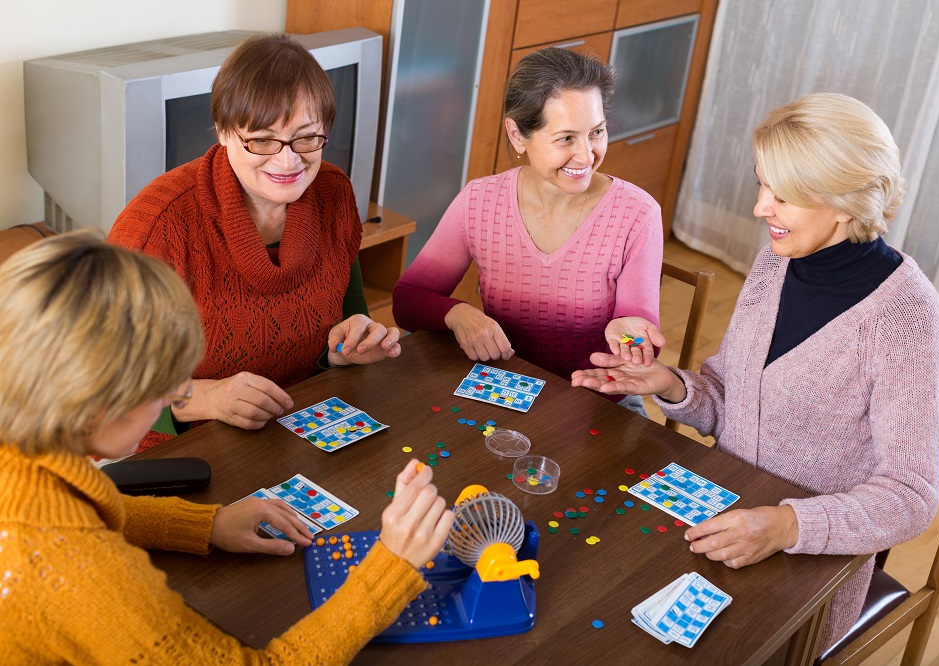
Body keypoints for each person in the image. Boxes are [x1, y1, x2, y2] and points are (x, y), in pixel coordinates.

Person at [571, 92, 939, 650]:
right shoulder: (778, 258)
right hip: (719, 515)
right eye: (761, 184)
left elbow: (911, 495)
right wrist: (673, 386)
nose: (759, 208)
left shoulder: (909, 317)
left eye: (783, 195)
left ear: (844, 201)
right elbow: (730, 398)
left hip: (807, 572)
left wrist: (787, 525)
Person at [0, 233, 454, 664]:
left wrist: (206, 523)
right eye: (166, 384)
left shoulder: (24, 450)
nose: (179, 394)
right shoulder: (79, 572)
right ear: (95, 402)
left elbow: (79, 505)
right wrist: (392, 568)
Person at [108, 34, 400, 452]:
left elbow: (346, 321)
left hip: (304, 424)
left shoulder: (333, 194)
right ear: (225, 132)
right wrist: (204, 397)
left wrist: (346, 349)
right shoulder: (156, 228)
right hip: (186, 448)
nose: (289, 161)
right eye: (262, 139)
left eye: (306, 137)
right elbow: (103, 389)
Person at [392, 47, 662, 413]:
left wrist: (633, 336)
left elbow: (640, 333)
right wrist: (457, 313)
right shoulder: (479, 202)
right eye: (566, 138)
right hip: (504, 392)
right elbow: (408, 300)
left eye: (596, 132)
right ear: (518, 135)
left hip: (597, 405)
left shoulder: (637, 213)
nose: (586, 156)